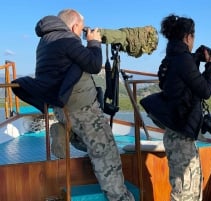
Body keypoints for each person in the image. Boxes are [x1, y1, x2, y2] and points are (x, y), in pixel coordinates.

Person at [12, 9, 135, 201]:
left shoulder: (45, 42)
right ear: (74, 26)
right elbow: (94, 65)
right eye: (81, 28)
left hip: (62, 109)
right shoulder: (66, 40)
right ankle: (119, 197)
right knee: (107, 154)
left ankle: (63, 131)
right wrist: (93, 42)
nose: (81, 33)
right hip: (83, 110)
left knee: (87, 139)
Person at [147, 14, 211, 200]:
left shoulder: (172, 59)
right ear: (188, 37)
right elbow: (205, 90)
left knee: (191, 187)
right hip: (180, 136)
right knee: (184, 192)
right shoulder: (182, 60)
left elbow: (186, 85)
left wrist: (199, 62)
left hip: (177, 132)